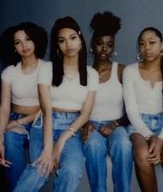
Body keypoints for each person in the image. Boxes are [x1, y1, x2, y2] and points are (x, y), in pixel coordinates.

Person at [14, 16, 99, 192]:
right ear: (58, 46)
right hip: (45, 124)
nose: (68, 44)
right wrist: (48, 148)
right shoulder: (47, 70)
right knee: (41, 168)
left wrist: (61, 140)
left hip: (72, 130)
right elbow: (46, 110)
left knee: (72, 171)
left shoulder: (91, 74)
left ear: (81, 41)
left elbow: (86, 113)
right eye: (62, 40)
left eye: (73, 38)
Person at [123, 27, 163, 192]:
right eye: (142, 44)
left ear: (162, 45)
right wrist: (149, 136)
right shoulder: (130, 71)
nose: (147, 48)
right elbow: (131, 111)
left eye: (152, 43)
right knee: (143, 154)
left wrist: (161, 139)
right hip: (139, 125)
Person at [0, 22, 48, 191]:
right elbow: (4, 108)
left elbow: (49, 107)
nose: (24, 45)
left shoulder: (47, 69)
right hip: (16, 120)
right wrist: (1, 138)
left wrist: (20, 122)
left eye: (27, 39)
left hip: (41, 121)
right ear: (14, 48)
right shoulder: (9, 72)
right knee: (8, 138)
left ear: (36, 41)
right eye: (18, 42)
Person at [82, 11, 132, 192]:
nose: (104, 48)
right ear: (92, 46)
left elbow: (133, 109)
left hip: (117, 125)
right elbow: (76, 106)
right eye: (100, 44)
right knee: (93, 146)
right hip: (92, 125)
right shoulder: (84, 73)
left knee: (124, 145)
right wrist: (85, 123)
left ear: (114, 48)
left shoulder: (122, 71)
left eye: (109, 45)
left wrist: (115, 124)